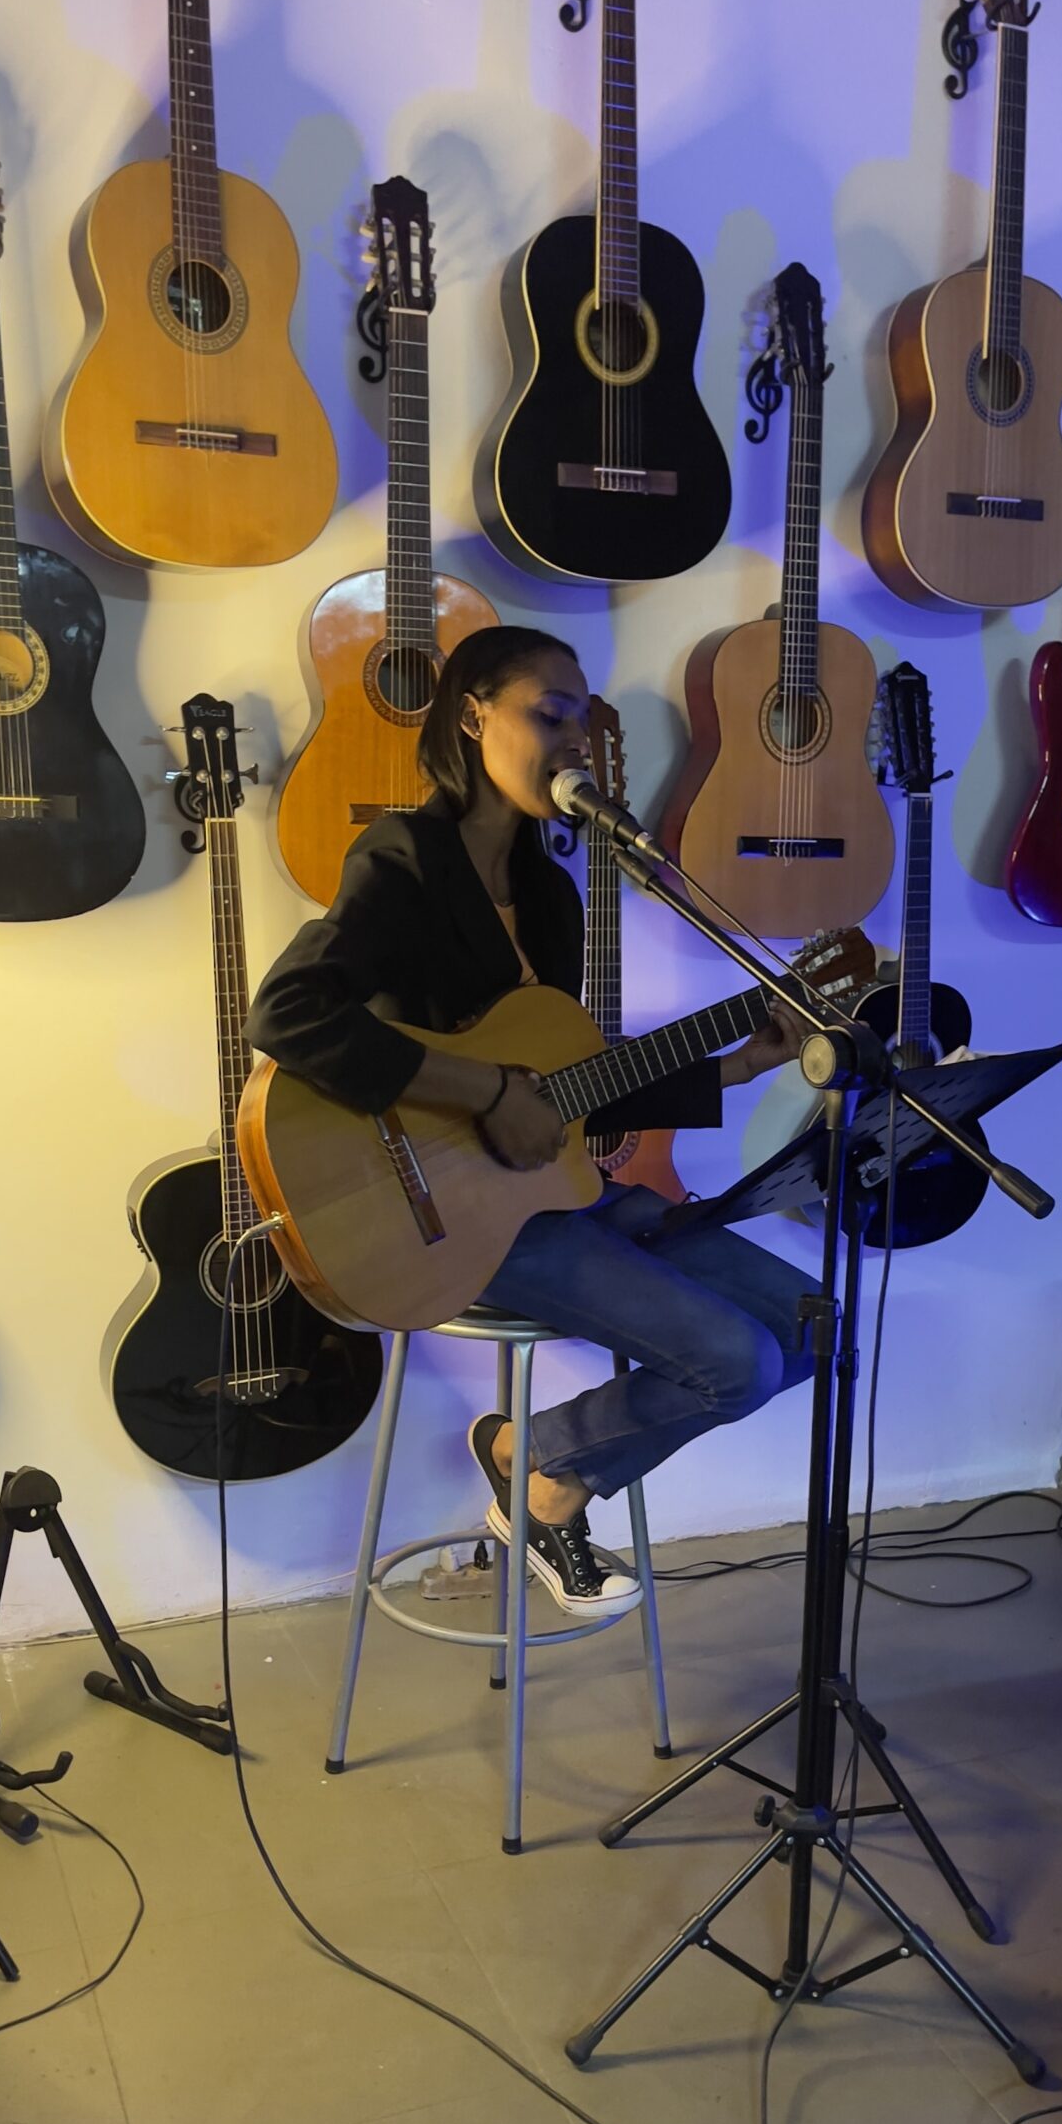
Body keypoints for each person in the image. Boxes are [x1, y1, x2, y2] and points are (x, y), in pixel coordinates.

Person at [245, 628, 818, 1617]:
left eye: (580, 721)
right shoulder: (404, 858)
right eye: (548, 714)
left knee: (813, 1324)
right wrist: (482, 1092)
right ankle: (547, 1484)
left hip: (553, 1198)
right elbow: (285, 1015)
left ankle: (531, 1458)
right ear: (473, 716)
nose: (571, 740)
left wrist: (741, 1062)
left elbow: (566, 1089)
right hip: (443, 1219)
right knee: (740, 1360)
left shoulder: (551, 895)